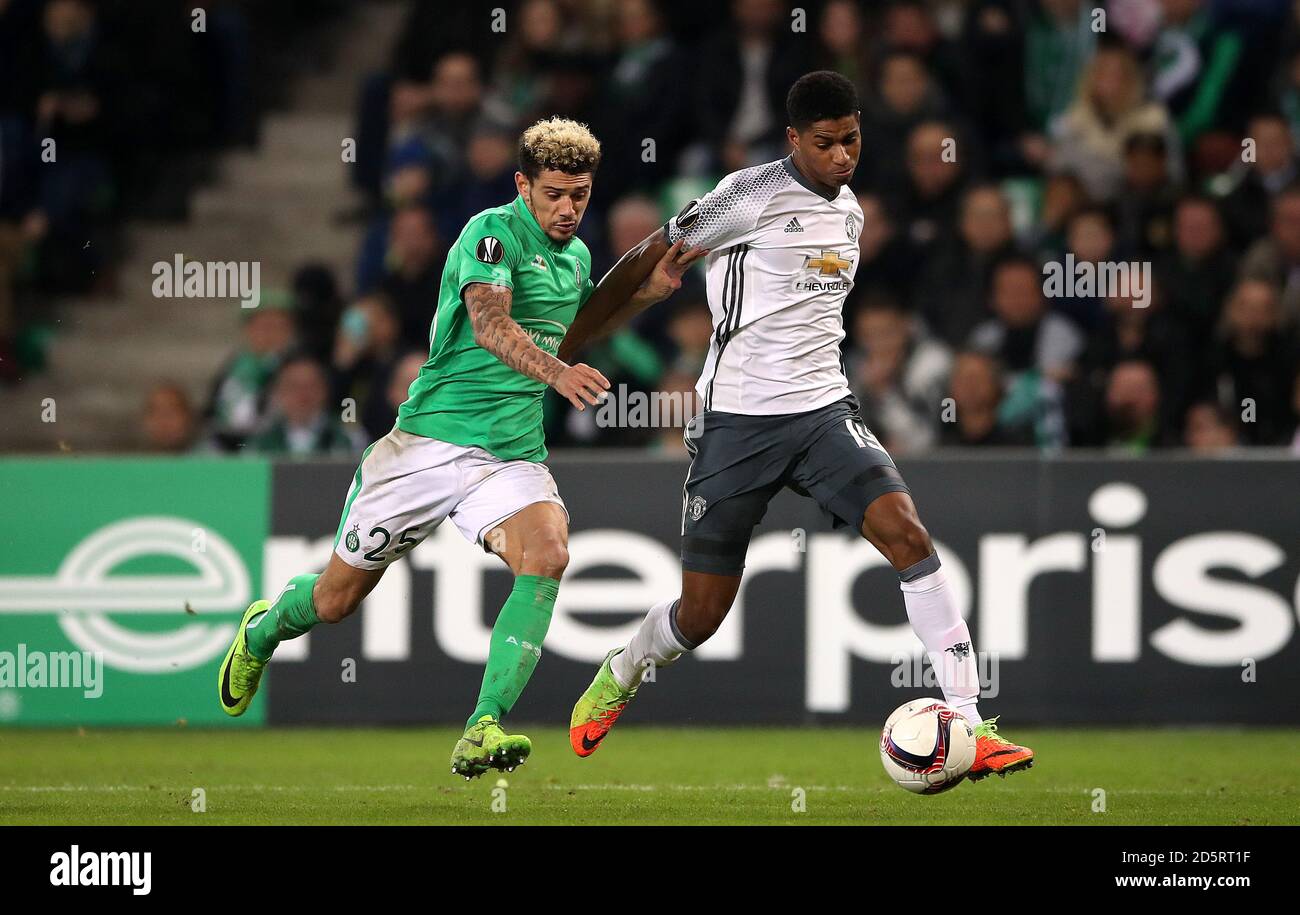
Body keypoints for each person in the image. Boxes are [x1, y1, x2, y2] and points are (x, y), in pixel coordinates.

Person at [565, 72, 1034, 781]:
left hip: (822, 413)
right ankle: (623, 669)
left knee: (908, 534)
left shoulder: (850, 213)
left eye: (851, 139)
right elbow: (643, 261)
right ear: (793, 139)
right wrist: (566, 347)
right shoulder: (747, 195)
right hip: (736, 423)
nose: (843, 155)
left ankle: (971, 719)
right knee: (701, 614)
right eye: (826, 143)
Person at [215, 118, 705, 780]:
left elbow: (573, 334)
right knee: (334, 600)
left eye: (580, 195)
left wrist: (641, 296)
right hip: (425, 444)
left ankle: (483, 724)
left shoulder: (578, 257)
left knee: (551, 551)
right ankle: (264, 629)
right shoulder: (491, 233)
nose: (567, 209)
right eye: (554, 193)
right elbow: (489, 324)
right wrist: (556, 374)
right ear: (522, 184)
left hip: (508, 455)